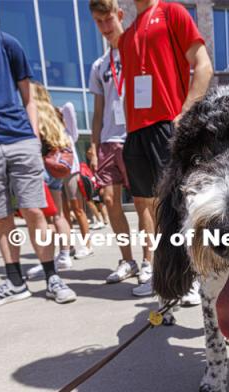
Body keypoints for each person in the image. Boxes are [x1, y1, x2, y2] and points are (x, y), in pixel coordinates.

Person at [0, 1, 75, 309]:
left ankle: (51, 277)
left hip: (19, 138)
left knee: (35, 211)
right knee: (0, 215)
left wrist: (32, 137)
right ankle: (15, 281)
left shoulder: (6, 43)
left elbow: (29, 96)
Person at [119, 0, 213, 303]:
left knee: (178, 205)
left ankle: (194, 275)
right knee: (148, 207)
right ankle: (163, 275)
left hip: (165, 123)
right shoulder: (127, 34)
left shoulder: (173, 12)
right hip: (135, 130)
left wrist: (186, 111)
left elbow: (203, 64)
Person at [88, 0, 139, 284]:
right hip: (109, 139)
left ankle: (150, 261)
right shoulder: (99, 65)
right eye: (99, 22)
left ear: (119, 16)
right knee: (109, 201)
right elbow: (97, 112)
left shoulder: (135, 51)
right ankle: (127, 259)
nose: (105, 27)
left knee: (147, 203)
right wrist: (94, 145)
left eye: (108, 19)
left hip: (135, 137)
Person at [25, 83, 76, 283]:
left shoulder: (32, 114)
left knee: (44, 220)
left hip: (41, 169)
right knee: (59, 215)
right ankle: (64, 254)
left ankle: (49, 261)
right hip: (57, 169)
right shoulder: (55, 114)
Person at [59, 102, 94, 260]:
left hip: (72, 173)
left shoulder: (69, 132)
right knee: (63, 213)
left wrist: (57, 111)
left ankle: (87, 245)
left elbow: (69, 107)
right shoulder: (50, 134)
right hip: (57, 176)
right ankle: (69, 246)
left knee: (78, 210)